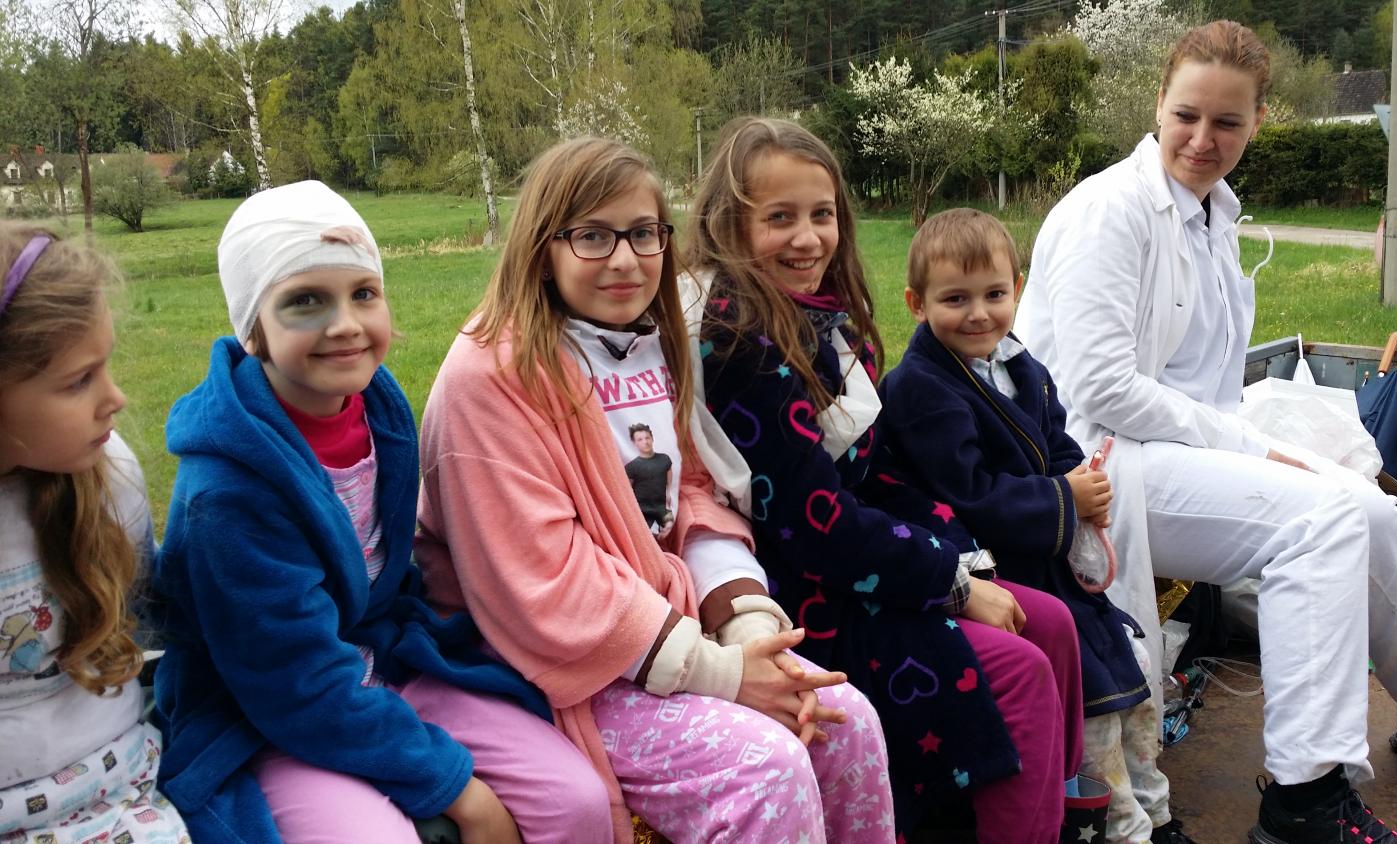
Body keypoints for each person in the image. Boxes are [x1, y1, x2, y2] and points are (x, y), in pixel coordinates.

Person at [1015, 20, 1397, 844]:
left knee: (1372, 510)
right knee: (1321, 523)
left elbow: (1203, 382)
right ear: (1158, 105)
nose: (1202, 139)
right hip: (1094, 463)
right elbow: (1098, 388)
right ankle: (1305, 798)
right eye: (1186, 115)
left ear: (1259, 122)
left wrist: (1251, 446)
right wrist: (1250, 449)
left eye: (1227, 122)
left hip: (1179, 446)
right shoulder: (1109, 211)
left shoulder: (1213, 214)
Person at [413, 137, 894, 844]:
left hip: (671, 632)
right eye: (592, 236)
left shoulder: (648, 343)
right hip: (556, 665)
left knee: (846, 722)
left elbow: (692, 492)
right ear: (542, 248)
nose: (625, 259)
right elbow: (545, 584)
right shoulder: (490, 379)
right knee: (766, 769)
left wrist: (746, 625)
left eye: (643, 233)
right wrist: (723, 673)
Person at [152, 181, 609, 844]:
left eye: (363, 293)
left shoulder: (376, 410)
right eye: (305, 301)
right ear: (253, 329)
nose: (344, 324)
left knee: (576, 802)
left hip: (387, 661)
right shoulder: (225, 493)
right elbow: (294, 684)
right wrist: (456, 788)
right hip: (266, 715)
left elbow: (389, 575)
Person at [683, 116, 1083, 842]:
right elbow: (816, 526)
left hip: (863, 561)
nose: (808, 238)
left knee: (1052, 624)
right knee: (1018, 672)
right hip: (810, 592)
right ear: (729, 226)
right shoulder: (741, 343)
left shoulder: (824, 322)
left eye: (822, 214)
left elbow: (872, 473)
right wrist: (952, 583)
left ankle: (1047, 813)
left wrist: (957, 550)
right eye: (779, 218)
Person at [869, 208, 1192, 844]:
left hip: (1047, 548)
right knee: (1095, 703)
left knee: (1132, 674)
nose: (978, 314)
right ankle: (1114, 823)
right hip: (995, 561)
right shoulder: (920, 388)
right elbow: (968, 494)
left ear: (1017, 289)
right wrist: (1061, 499)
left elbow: (1058, 440)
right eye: (955, 299)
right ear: (916, 303)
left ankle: (1153, 808)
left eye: (994, 294)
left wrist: (1082, 483)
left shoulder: (1022, 367)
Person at [0, 224, 190, 843]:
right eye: (79, 380)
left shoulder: (109, 478)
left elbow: (145, 617)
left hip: (114, 785)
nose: (116, 398)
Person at [624, 423, 674, 534]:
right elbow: (627, 490)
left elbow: (669, 482)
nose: (645, 442)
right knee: (642, 534)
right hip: (641, 509)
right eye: (640, 439)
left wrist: (669, 494)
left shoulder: (664, 459)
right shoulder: (632, 466)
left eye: (647, 438)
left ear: (652, 438)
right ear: (634, 443)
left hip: (661, 507)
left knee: (669, 525)